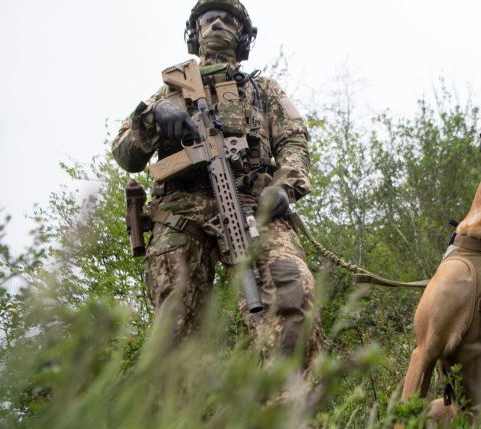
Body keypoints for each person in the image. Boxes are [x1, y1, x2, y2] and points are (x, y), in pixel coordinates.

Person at [111, 0, 322, 366]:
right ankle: (179, 422)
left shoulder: (264, 89)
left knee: (290, 301)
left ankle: (289, 414)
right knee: (173, 329)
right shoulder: (165, 93)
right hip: (180, 214)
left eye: (230, 19)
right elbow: (125, 153)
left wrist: (284, 187)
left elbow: (294, 140)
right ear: (195, 32)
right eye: (209, 18)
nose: (219, 24)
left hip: (253, 207)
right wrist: (154, 118)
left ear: (243, 36)